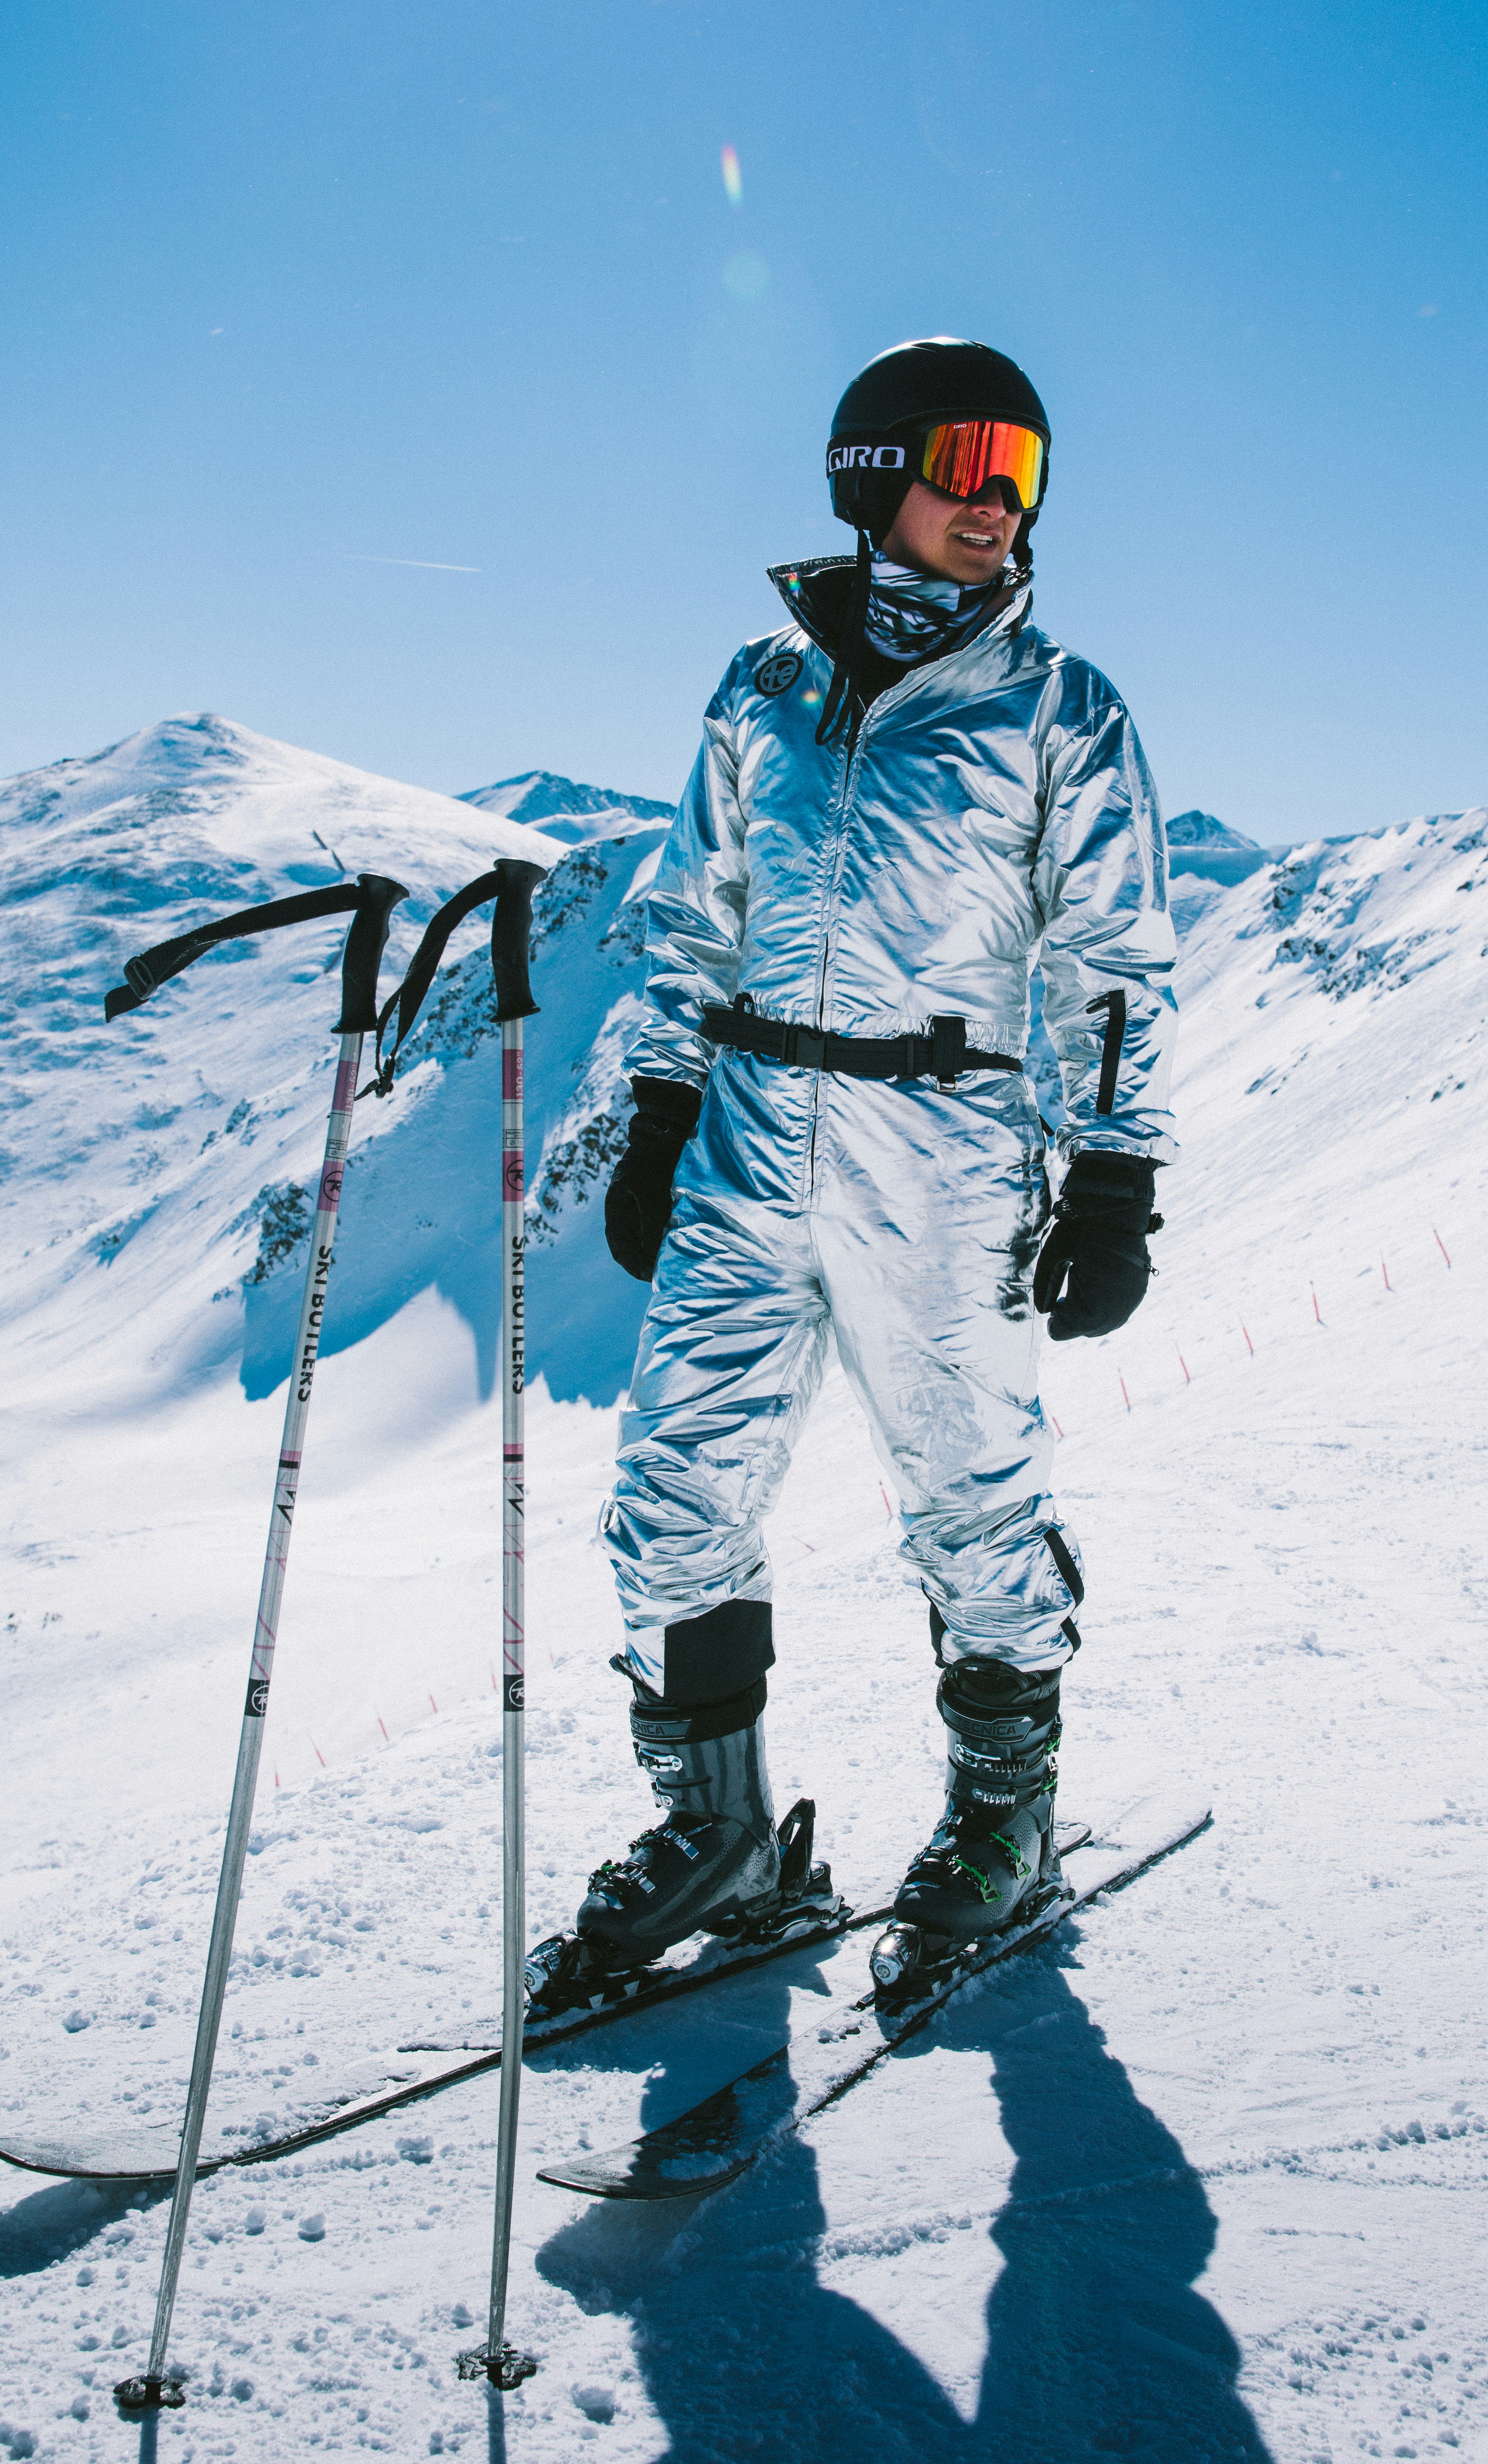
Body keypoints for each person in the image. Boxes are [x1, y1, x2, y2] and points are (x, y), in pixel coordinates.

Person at [525, 336, 1176, 2014]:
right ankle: (722, 1832)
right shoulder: (761, 684)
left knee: (971, 1496)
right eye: (970, 461)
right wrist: (663, 1107)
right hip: (748, 1129)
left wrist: (1111, 1177)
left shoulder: (1058, 708)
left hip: (941, 1146)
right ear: (875, 474)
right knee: (672, 1493)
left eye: (1024, 473)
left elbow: (1109, 965)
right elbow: (691, 910)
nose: (1001, 503)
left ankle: (1000, 1819)